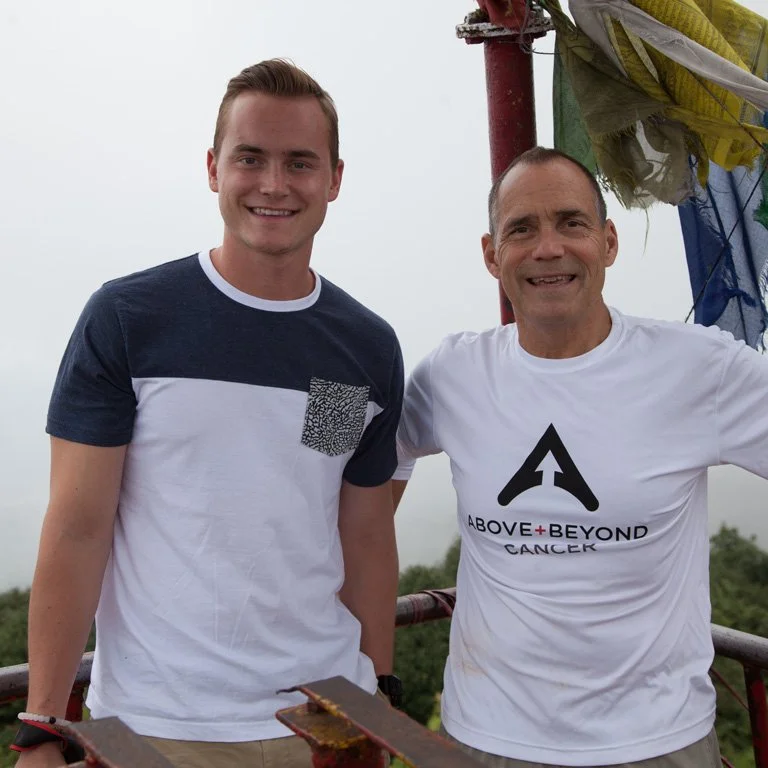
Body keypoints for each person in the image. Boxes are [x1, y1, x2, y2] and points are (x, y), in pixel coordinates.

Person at [15, 59, 403, 768]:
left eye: (300, 163)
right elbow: (78, 528)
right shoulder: (131, 321)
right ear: (213, 168)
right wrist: (43, 723)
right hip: (157, 726)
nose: (274, 184)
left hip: (324, 720)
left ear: (335, 179)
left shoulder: (360, 348)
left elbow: (361, 532)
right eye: (250, 158)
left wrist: (375, 693)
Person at [393, 146, 768, 768]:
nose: (548, 248)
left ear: (609, 242)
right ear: (491, 255)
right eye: (522, 229)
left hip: (658, 743)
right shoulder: (454, 371)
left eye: (572, 223)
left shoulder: (696, 368)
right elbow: (370, 469)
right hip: (488, 739)